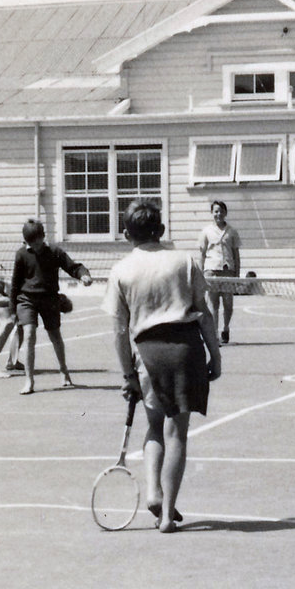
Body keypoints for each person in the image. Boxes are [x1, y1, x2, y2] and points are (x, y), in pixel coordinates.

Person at [106, 199, 224, 534]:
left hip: (148, 353)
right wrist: (215, 354)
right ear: (161, 230)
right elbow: (205, 312)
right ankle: (168, 514)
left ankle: (154, 492)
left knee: (155, 427)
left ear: (127, 233)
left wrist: (128, 375)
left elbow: (118, 333)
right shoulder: (183, 260)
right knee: (177, 434)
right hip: (186, 349)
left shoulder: (121, 270)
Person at [9, 219, 93, 394]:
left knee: (55, 335)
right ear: (26, 241)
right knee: (30, 334)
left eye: (38, 242)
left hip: (49, 299)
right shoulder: (21, 255)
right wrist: (12, 309)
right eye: (31, 243)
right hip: (27, 300)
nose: (35, 246)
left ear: (43, 237)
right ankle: (29, 380)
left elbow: (73, 266)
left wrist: (83, 275)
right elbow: (15, 283)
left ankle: (64, 371)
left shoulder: (54, 252)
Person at [198, 199, 243, 344]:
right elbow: (202, 253)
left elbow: (236, 254)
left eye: (221, 211)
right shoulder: (206, 231)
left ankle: (225, 328)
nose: (219, 214)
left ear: (226, 213)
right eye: (216, 211)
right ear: (212, 213)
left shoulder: (232, 231)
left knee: (228, 304)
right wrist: (200, 273)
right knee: (213, 304)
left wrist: (237, 274)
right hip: (211, 270)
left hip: (227, 270)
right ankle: (215, 335)